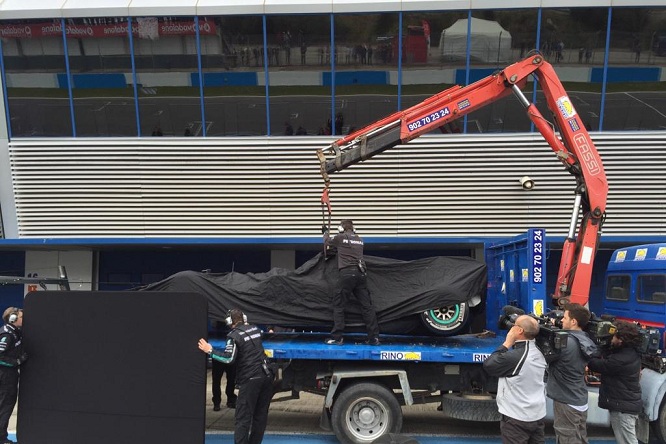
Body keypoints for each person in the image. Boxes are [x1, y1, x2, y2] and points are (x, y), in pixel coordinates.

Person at [198, 309, 273, 444]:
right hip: (266, 375)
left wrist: (210, 350)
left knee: (242, 418)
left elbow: (228, 359)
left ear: (229, 322)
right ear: (244, 318)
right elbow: (259, 335)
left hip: (251, 379)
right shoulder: (255, 329)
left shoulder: (233, 336)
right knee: (260, 417)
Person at [483, 315, 547, 444]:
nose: (511, 328)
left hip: (516, 417)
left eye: (514, 326)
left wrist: (507, 343)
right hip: (537, 415)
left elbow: (489, 365)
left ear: (520, 331)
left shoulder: (516, 357)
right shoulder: (541, 351)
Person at [546, 303, 598, 444]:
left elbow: (545, 358)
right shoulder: (585, 339)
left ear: (574, 321)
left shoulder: (565, 343)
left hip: (567, 401)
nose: (561, 320)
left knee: (567, 438)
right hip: (579, 397)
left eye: (564, 317)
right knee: (580, 438)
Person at [322, 219, 380, 345]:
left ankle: (337, 337)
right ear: (354, 228)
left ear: (341, 229)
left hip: (347, 274)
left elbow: (327, 244)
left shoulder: (340, 237)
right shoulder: (359, 240)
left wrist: (325, 233)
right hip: (361, 274)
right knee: (367, 306)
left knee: (338, 305)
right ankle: (374, 338)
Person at [587, 320, 642, 444]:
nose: (611, 339)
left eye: (613, 337)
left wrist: (598, 348)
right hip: (625, 405)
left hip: (623, 409)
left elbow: (594, 364)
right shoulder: (629, 352)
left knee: (627, 441)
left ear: (621, 340)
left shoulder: (620, 360)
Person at [0, 307, 27, 444]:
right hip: (5, 376)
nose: (24, 320)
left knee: (6, 405)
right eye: (21, 317)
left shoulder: (15, 332)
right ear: (13, 319)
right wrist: (16, 362)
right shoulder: (7, 335)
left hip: (9, 375)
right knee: (5, 406)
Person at [210, 322, 237, 411]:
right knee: (224, 379)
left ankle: (220, 401)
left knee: (225, 379)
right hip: (221, 350)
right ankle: (226, 400)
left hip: (220, 350)